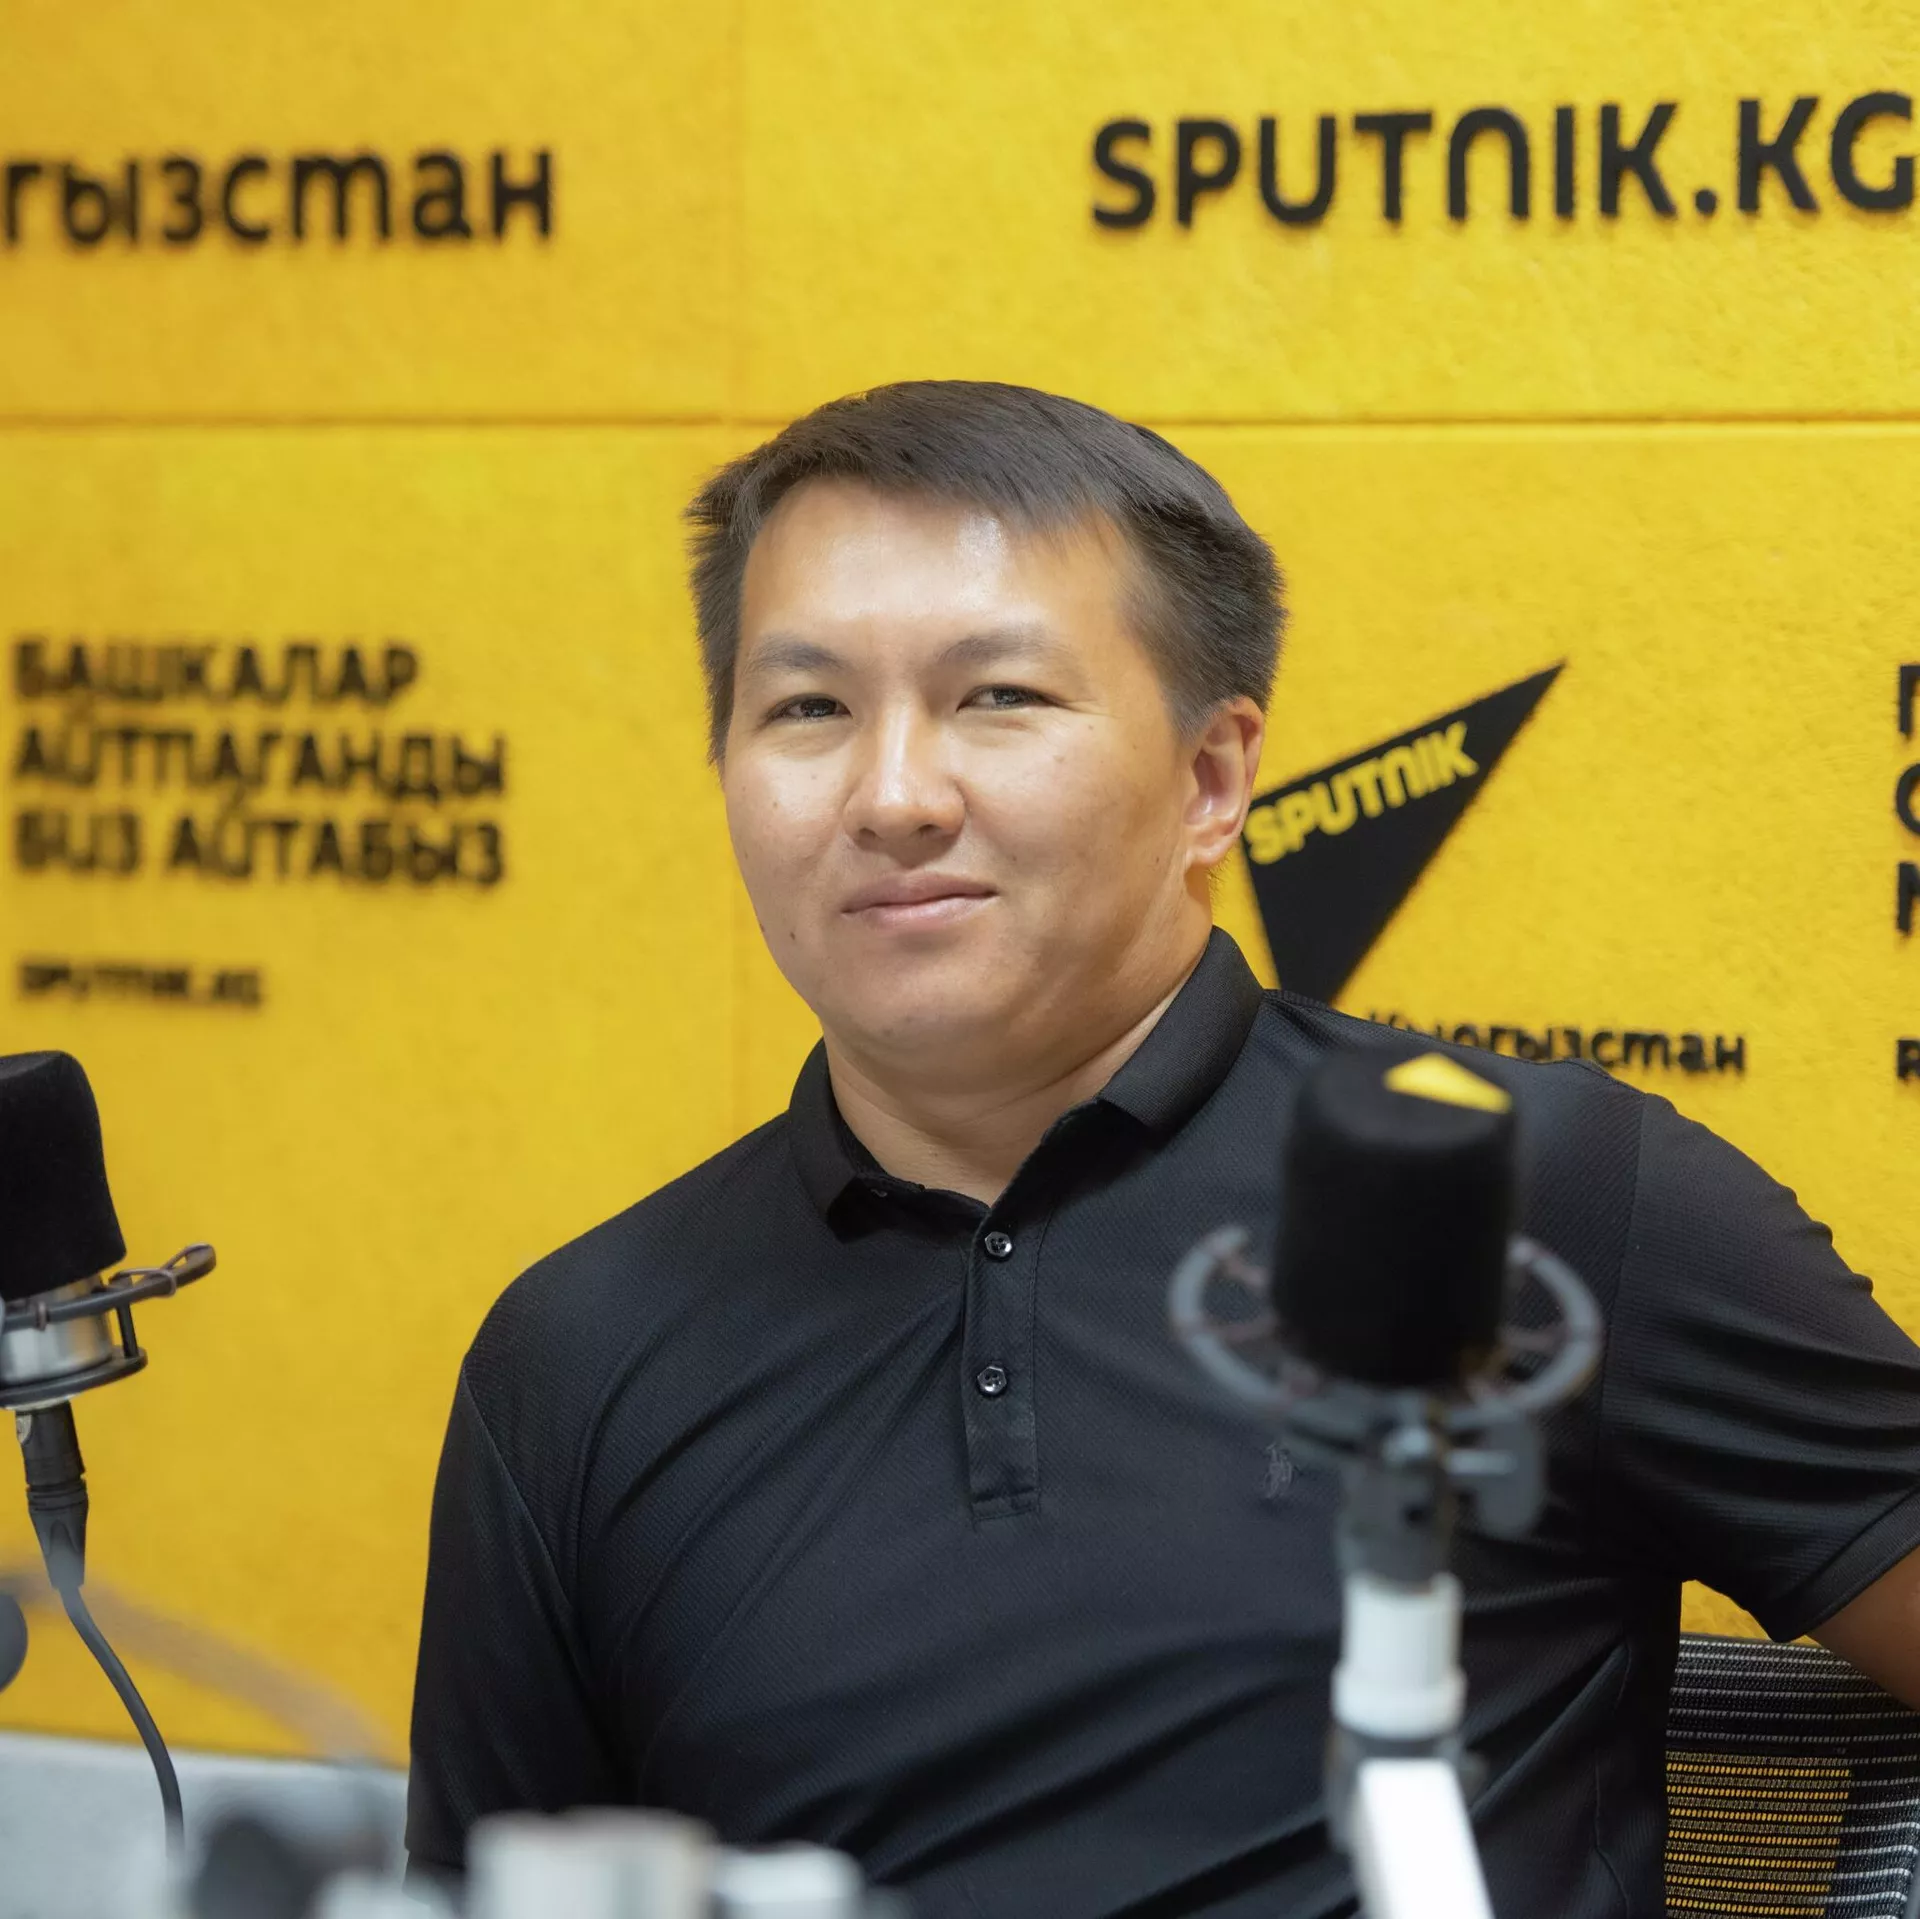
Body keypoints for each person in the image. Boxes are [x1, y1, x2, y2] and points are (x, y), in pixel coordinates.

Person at [405, 381, 1920, 1917]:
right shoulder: (580, 1350)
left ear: (1212, 781)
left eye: (998, 696)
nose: (894, 795)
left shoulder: (1538, 1196)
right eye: (808, 708)